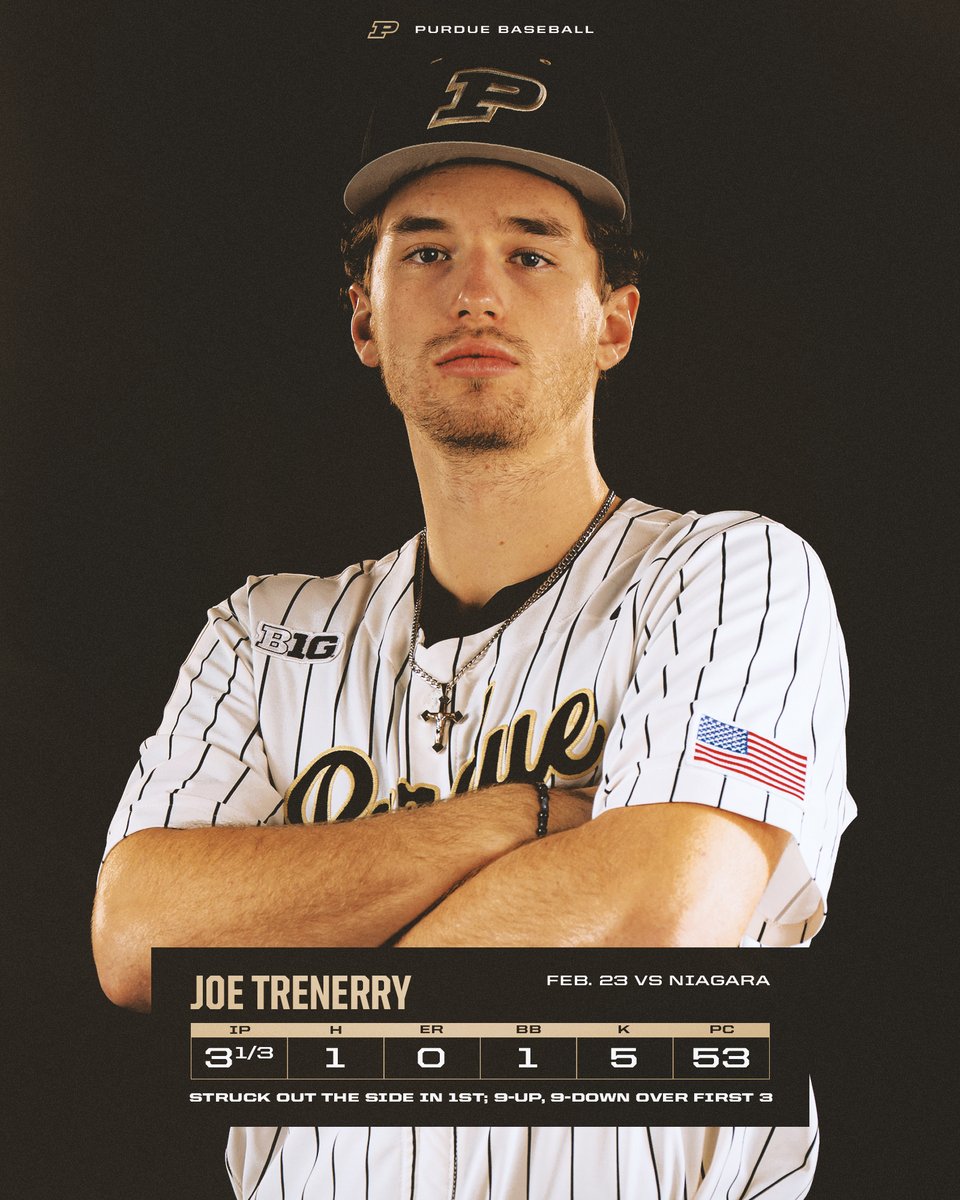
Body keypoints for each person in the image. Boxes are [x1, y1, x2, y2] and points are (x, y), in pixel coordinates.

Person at [93, 56, 855, 1199]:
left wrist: (297, 1003)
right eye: (428, 250)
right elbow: (136, 934)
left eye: (534, 251)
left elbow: (669, 911)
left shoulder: (734, 574)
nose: (476, 292)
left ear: (616, 321)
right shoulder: (262, 635)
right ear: (365, 317)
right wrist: (530, 819)